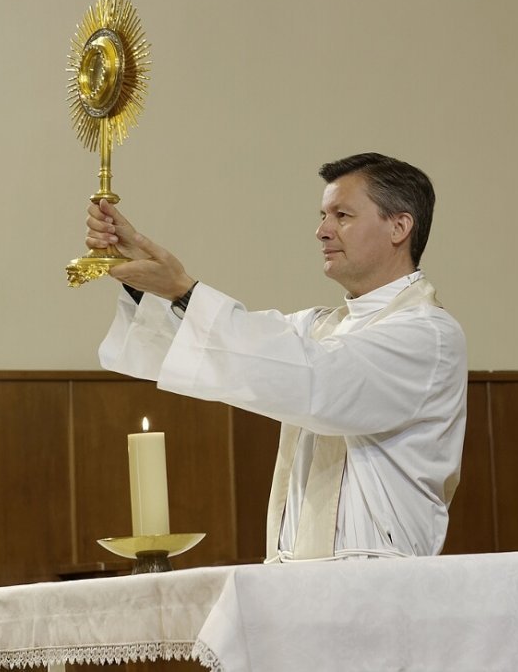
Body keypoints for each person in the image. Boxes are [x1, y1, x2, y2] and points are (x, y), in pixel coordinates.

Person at [87, 152, 467, 561]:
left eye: (342, 215)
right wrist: (143, 281)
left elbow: (317, 382)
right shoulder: (323, 327)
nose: (322, 231)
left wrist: (184, 289)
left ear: (399, 226)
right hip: (298, 578)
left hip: (380, 578)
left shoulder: (428, 334)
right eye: (322, 215)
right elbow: (237, 350)